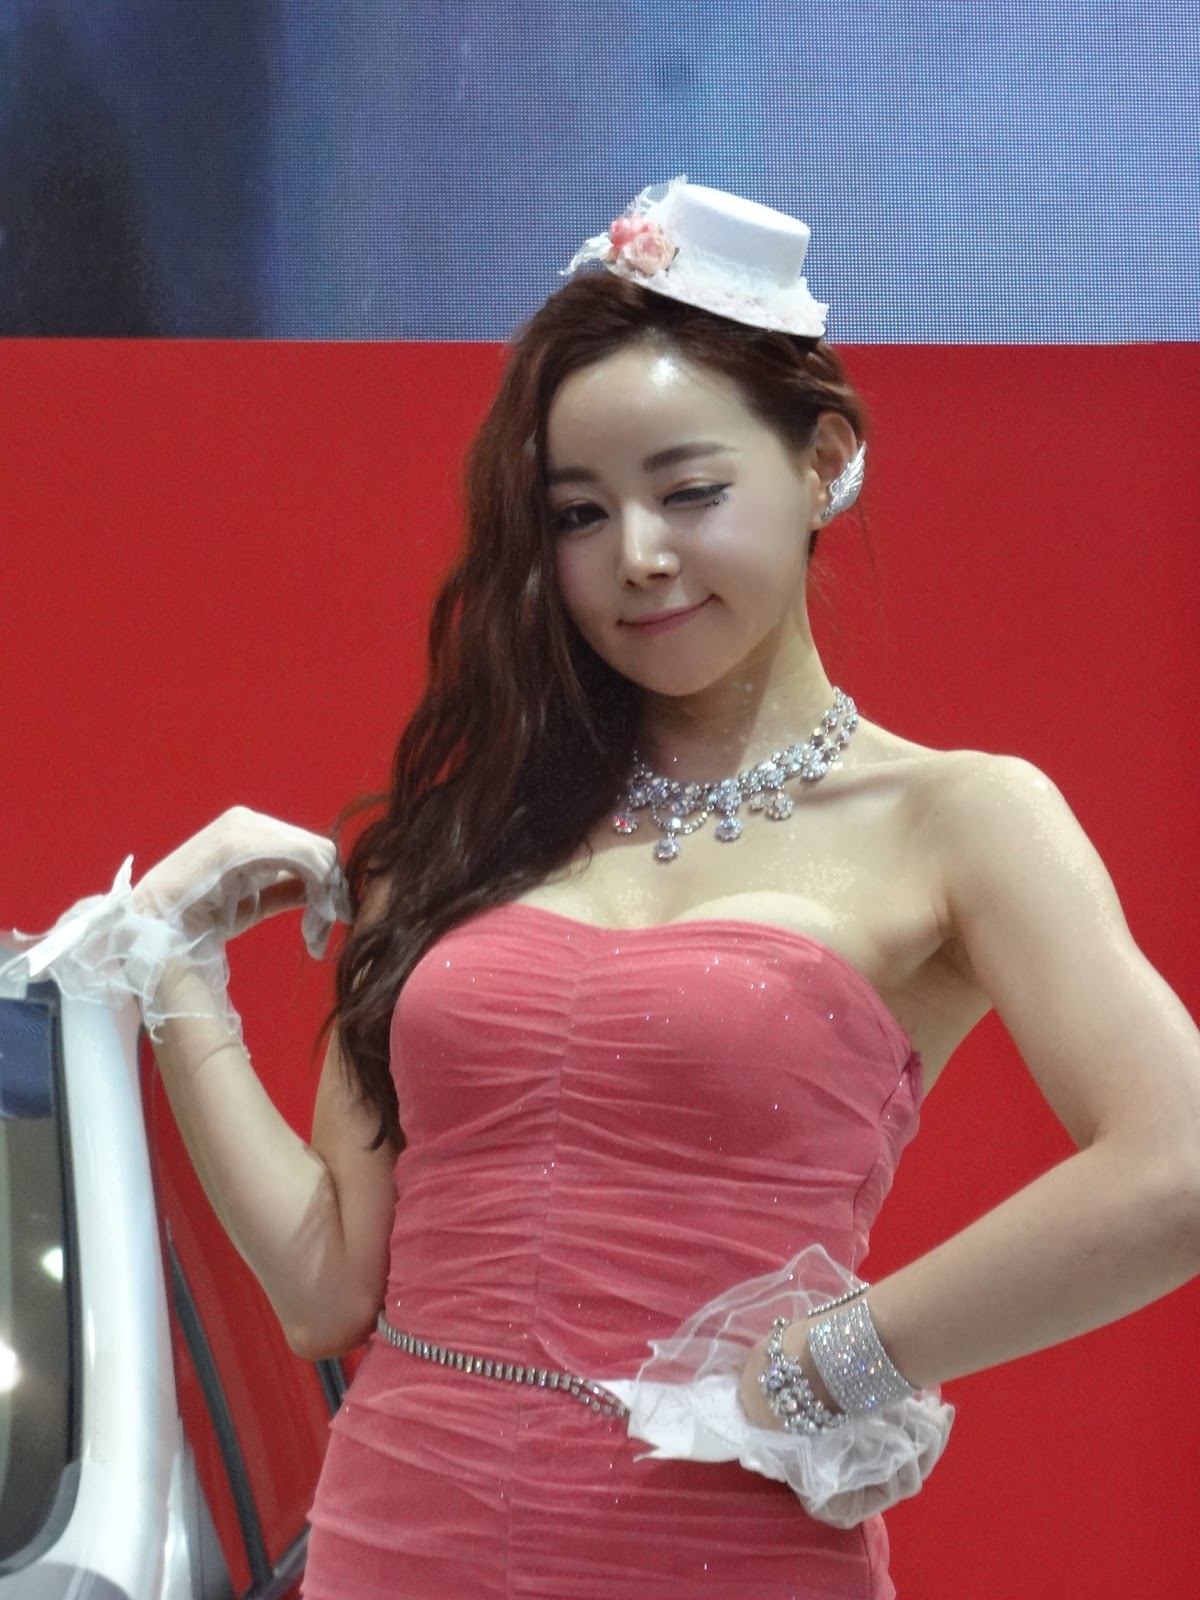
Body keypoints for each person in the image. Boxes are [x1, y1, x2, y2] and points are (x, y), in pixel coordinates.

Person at [7, 178, 1200, 1599]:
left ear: (822, 460)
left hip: (721, 1555)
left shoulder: (961, 817)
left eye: (691, 492)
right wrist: (175, 975)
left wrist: (825, 1369)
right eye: (580, 514)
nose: (637, 556)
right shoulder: (461, 837)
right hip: (394, 1544)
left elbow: (1177, 1167)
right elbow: (328, 1287)